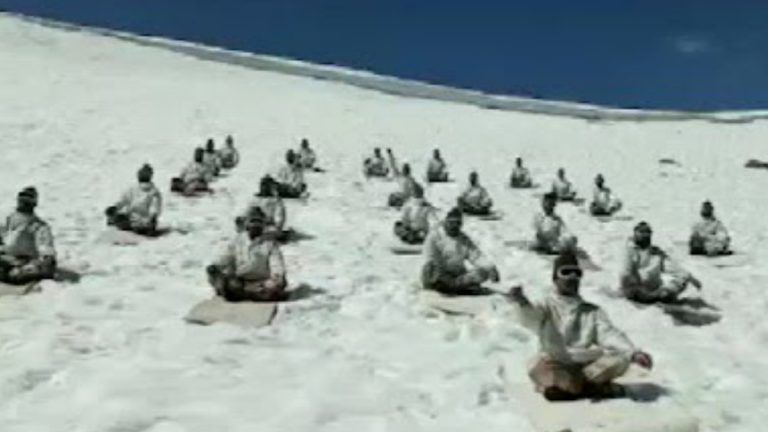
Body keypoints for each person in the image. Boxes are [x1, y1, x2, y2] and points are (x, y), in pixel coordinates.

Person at [507, 251, 653, 401]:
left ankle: (571, 389)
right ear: (555, 279)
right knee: (536, 367)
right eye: (565, 272)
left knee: (622, 358)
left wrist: (633, 353)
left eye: (576, 273)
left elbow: (609, 334)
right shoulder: (545, 305)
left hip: (587, 366)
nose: (572, 277)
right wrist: (522, 303)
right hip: (555, 363)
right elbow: (530, 320)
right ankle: (594, 388)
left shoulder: (592, 310)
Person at [206, 208, 287, 302]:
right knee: (224, 280)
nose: (255, 225)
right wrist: (216, 266)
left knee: (278, 285)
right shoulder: (238, 241)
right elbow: (226, 257)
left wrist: (276, 277)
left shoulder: (270, 243)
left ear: (263, 225)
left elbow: (277, 264)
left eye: (259, 222)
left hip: (262, 283)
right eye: (253, 221)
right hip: (240, 282)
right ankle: (242, 293)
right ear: (247, 224)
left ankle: (244, 294)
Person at [421, 208, 500, 294]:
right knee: (430, 270)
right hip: (439, 276)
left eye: (457, 223)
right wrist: (440, 276)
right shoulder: (434, 237)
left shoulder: (463, 239)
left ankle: (458, 288)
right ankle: (452, 289)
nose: (454, 226)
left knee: (481, 273)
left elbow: (476, 256)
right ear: (445, 222)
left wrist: (490, 267)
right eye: (451, 223)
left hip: (458, 277)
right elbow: (430, 258)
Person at [620, 222, 702, 304]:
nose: (644, 235)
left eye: (647, 232)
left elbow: (673, 267)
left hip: (654, 291)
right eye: (641, 232)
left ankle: (663, 294)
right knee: (629, 278)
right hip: (637, 292)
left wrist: (690, 278)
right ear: (635, 234)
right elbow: (626, 275)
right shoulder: (630, 251)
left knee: (681, 279)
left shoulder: (656, 253)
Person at [0, 187, 57, 284]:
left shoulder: (39, 226)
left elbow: (46, 250)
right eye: (22, 200)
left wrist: (46, 259)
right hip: (4, 258)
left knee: (15, 274)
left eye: (27, 202)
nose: (23, 204)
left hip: (22, 263)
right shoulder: (9, 219)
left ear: (33, 204)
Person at [105, 164, 162, 235]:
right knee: (120, 217)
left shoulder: (152, 192)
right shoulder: (136, 189)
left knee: (121, 219)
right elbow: (123, 200)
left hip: (142, 221)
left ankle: (142, 228)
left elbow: (154, 208)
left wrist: (152, 218)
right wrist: (115, 207)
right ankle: (140, 227)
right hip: (136, 220)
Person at [238, 175, 288, 241]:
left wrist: (278, 225)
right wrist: (242, 218)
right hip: (253, 220)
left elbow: (279, 215)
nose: (264, 188)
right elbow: (247, 210)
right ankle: (252, 229)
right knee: (254, 210)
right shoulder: (255, 199)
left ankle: (258, 230)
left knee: (257, 213)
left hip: (267, 224)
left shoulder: (275, 201)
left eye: (267, 186)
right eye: (263, 185)